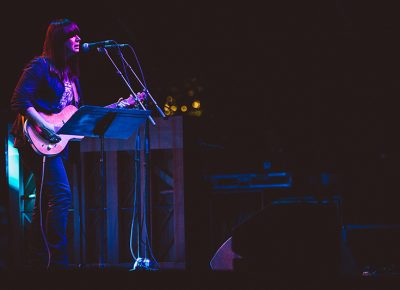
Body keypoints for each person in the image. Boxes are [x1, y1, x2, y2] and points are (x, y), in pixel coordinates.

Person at [10, 18, 82, 270]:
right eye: (72, 36)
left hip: (56, 145)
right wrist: (44, 125)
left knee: (44, 202)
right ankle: (58, 261)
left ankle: (38, 260)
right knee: (61, 195)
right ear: (59, 40)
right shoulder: (39, 66)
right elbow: (19, 100)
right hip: (34, 140)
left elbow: (69, 113)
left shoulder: (70, 76)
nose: (78, 39)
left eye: (78, 35)